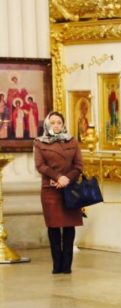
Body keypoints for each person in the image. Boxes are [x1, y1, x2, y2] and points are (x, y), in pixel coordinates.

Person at [33, 111, 83, 274]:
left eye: (59, 123)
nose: (56, 125)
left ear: (63, 124)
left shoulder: (72, 141)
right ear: (47, 124)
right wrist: (58, 177)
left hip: (70, 189)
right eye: (53, 122)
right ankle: (57, 265)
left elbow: (78, 166)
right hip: (50, 189)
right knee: (53, 227)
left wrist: (66, 179)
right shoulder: (39, 143)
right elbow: (40, 166)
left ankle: (67, 265)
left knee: (69, 226)